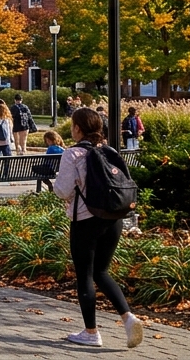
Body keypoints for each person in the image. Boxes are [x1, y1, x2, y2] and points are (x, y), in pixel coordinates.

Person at [53, 108, 144, 348]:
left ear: (78, 129)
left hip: (85, 219)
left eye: (73, 125)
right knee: (102, 272)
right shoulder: (110, 150)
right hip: (113, 217)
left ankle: (91, 332)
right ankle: (128, 318)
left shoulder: (72, 154)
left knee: (85, 275)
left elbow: (63, 190)